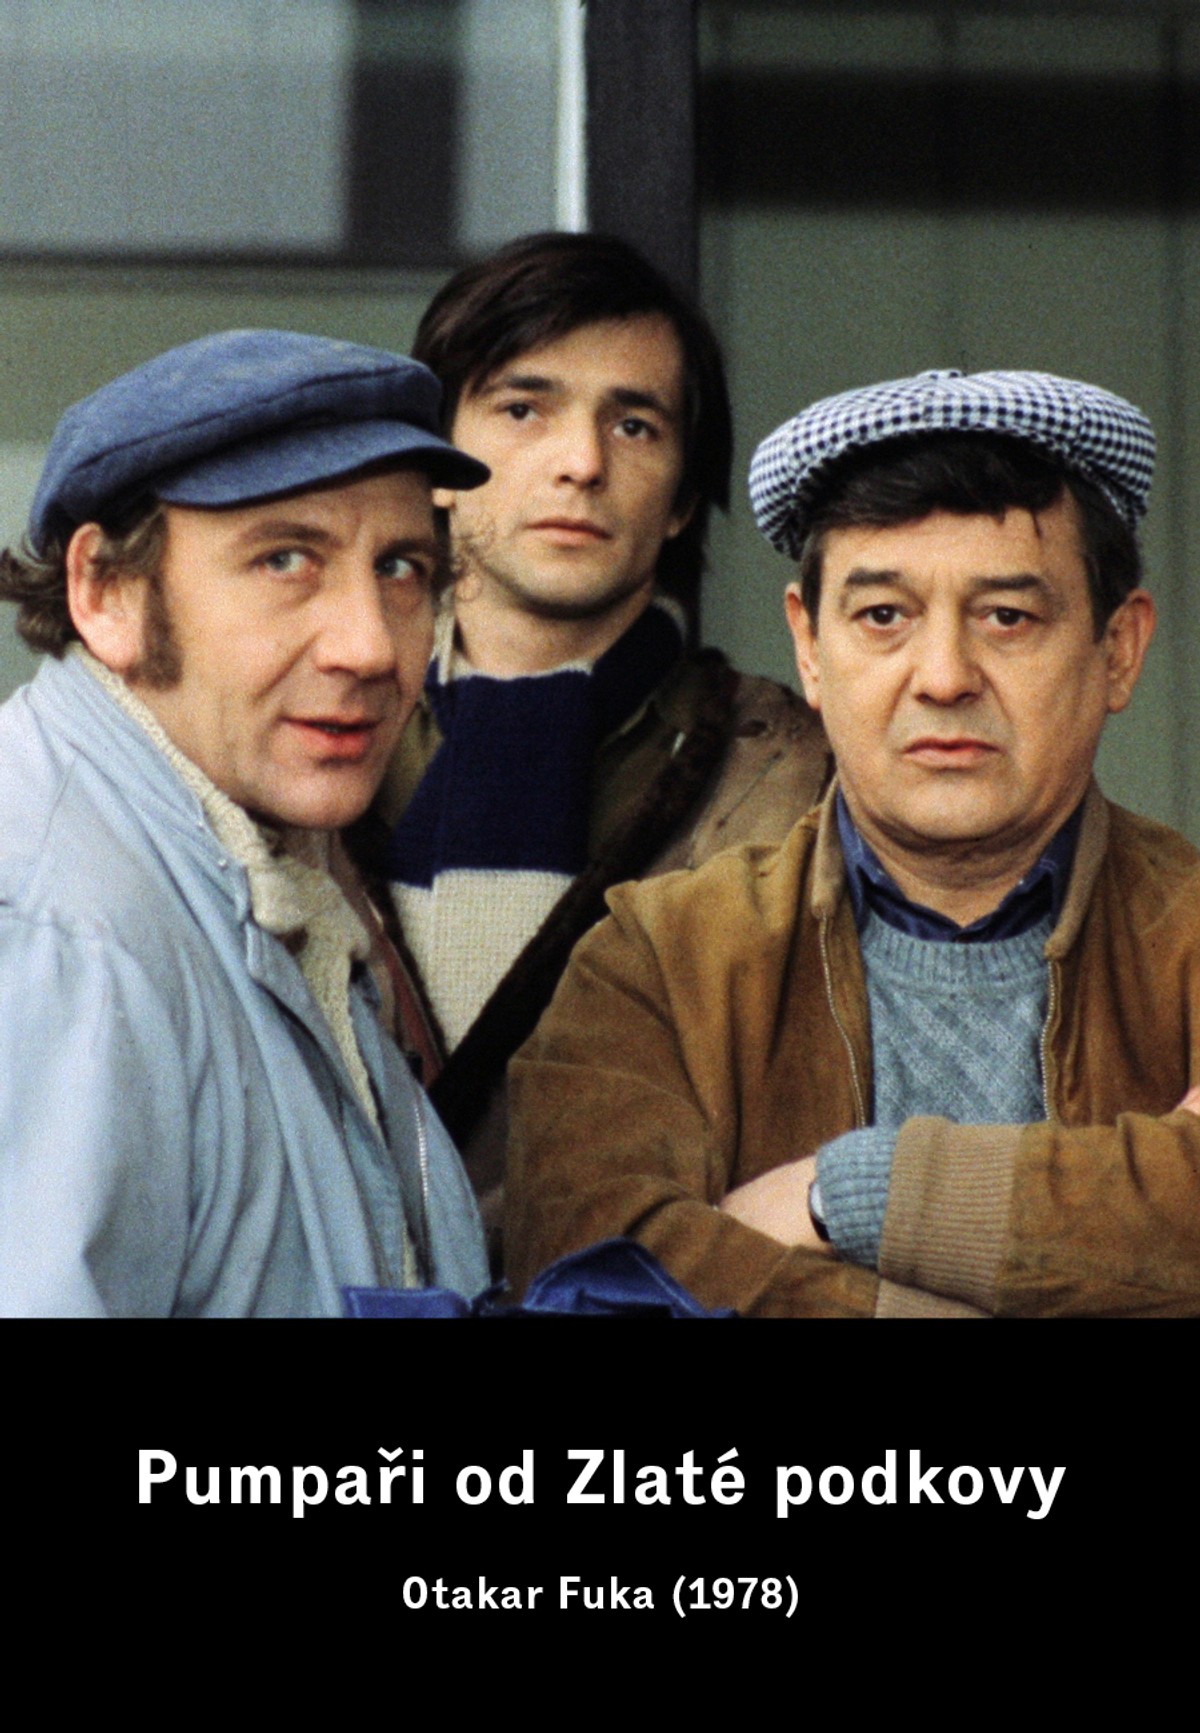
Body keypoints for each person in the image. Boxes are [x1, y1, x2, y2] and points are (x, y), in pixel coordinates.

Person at [506, 367, 1200, 1318]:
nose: (944, 676)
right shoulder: (655, 961)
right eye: (883, 617)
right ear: (808, 647)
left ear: (1118, 648)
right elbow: (598, 1278)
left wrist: (854, 1194)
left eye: (1007, 617)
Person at [0, 328, 491, 1316]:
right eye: (284, 559)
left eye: (402, 567)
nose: (369, 644)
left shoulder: (261, 852)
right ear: (105, 591)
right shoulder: (64, 929)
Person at [354, 232, 831, 1243]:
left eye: (635, 424)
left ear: (682, 498)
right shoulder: (319, 734)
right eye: (523, 409)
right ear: (437, 461)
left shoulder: (790, 773)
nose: (581, 463)